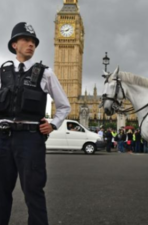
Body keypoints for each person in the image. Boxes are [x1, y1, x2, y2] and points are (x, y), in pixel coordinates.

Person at [0, 22, 71, 225]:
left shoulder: (45, 73)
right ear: (15, 44)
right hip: (2, 139)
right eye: (26, 40)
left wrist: (54, 124)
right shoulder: (2, 72)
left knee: (33, 194)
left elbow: (64, 106)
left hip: (30, 140)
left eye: (34, 42)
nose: (31, 45)